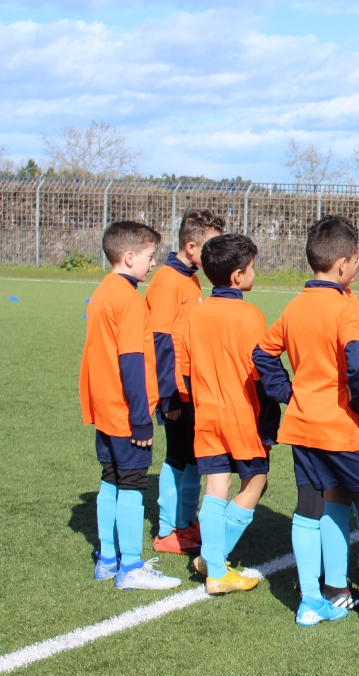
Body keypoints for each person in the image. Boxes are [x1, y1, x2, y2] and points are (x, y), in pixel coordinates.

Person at [253, 216, 359, 629]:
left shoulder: (295, 306)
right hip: (342, 429)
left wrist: (287, 393)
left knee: (313, 509)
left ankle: (318, 598)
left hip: (302, 428)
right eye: (358, 258)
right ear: (345, 264)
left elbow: (262, 354)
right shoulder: (346, 310)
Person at [80, 221, 182, 591]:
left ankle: (108, 559)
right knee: (133, 484)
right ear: (128, 257)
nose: (153, 264)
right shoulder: (130, 301)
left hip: (105, 407)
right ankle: (131, 566)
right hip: (125, 411)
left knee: (111, 479)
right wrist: (141, 419)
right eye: (149, 257)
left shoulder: (103, 291)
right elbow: (132, 363)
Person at [178, 234, 279, 595]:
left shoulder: (195, 314)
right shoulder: (250, 315)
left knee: (216, 487)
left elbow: (186, 369)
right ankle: (216, 562)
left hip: (206, 415)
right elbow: (260, 370)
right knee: (256, 482)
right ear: (238, 275)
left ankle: (212, 560)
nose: (255, 272)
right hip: (242, 416)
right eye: (252, 267)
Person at [146, 209, 225, 556]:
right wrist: (170, 395)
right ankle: (168, 530)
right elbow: (161, 339)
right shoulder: (166, 281)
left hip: (193, 383)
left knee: (192, 455)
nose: (213, 254)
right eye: (210, 247)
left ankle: (185, 523)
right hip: (176, 387)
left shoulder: (190, 278)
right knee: (178, 456)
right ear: (191, 247)